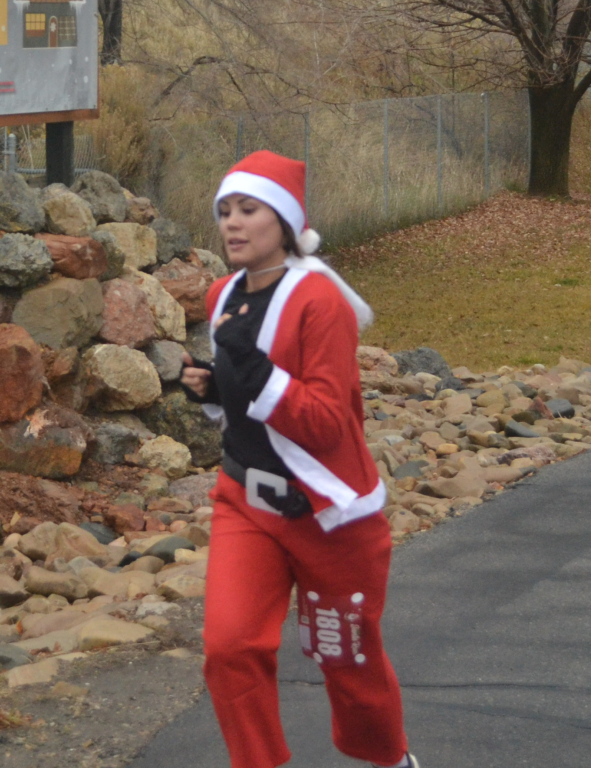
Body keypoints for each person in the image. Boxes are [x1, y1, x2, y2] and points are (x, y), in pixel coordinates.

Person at [180, 151, 418, 768]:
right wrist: (214, 386)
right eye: (225, 211)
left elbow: (324, 423)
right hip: (244, 501)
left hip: (327, 514)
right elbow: (248, 400)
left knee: (345, 657)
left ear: (283, 222)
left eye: (248, 209)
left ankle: (388, 760)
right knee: (229, 647)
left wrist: (252, 371)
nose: (232, 223)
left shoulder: (320, 303)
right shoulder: (222, 293)